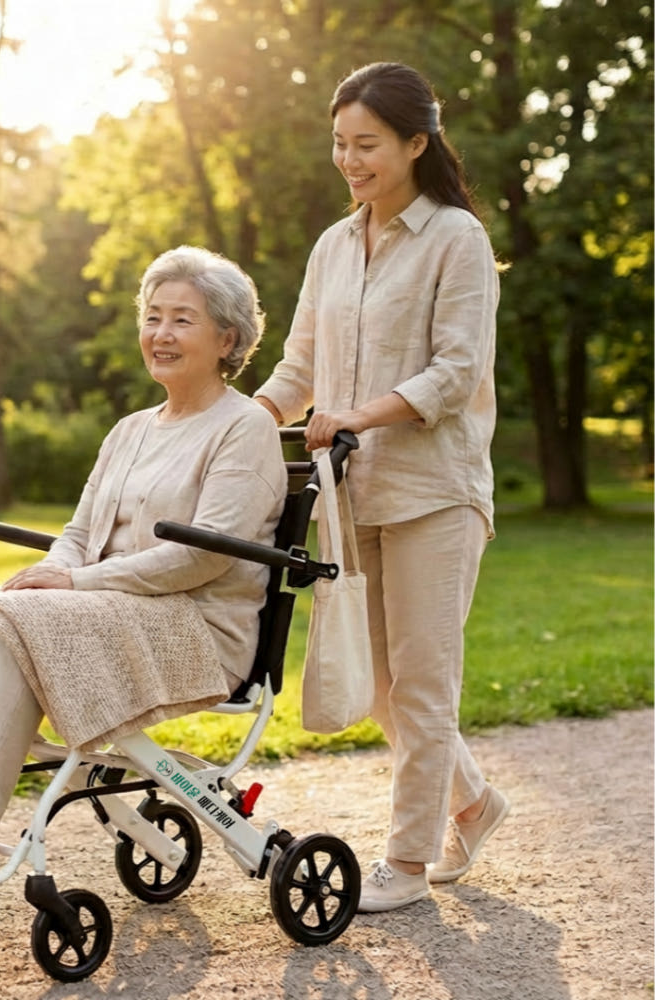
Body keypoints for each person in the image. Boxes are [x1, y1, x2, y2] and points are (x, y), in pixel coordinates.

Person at [0, 245, 288, 882]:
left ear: (228, 337)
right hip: (110, 614)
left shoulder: (244, 427)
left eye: (182, 319)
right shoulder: (130, 428)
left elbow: (200, 558)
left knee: (27, 625)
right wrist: (59, 573)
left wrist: (73, 581)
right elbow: (76, 532)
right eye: (152, 317)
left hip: (197, 632)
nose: (160, 333)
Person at [254, 62, 509, 913]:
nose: (351, 160)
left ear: (415, 142)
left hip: (436, 491)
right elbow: (298, 365)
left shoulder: (456, 239)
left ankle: (407, 860)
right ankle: (473, 800)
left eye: (367, 144)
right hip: (348, 493)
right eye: (340, 144)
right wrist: (246, 420)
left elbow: (456, 370)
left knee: (425, 681)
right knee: (376, 683)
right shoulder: (334, 245)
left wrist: (358, 413)